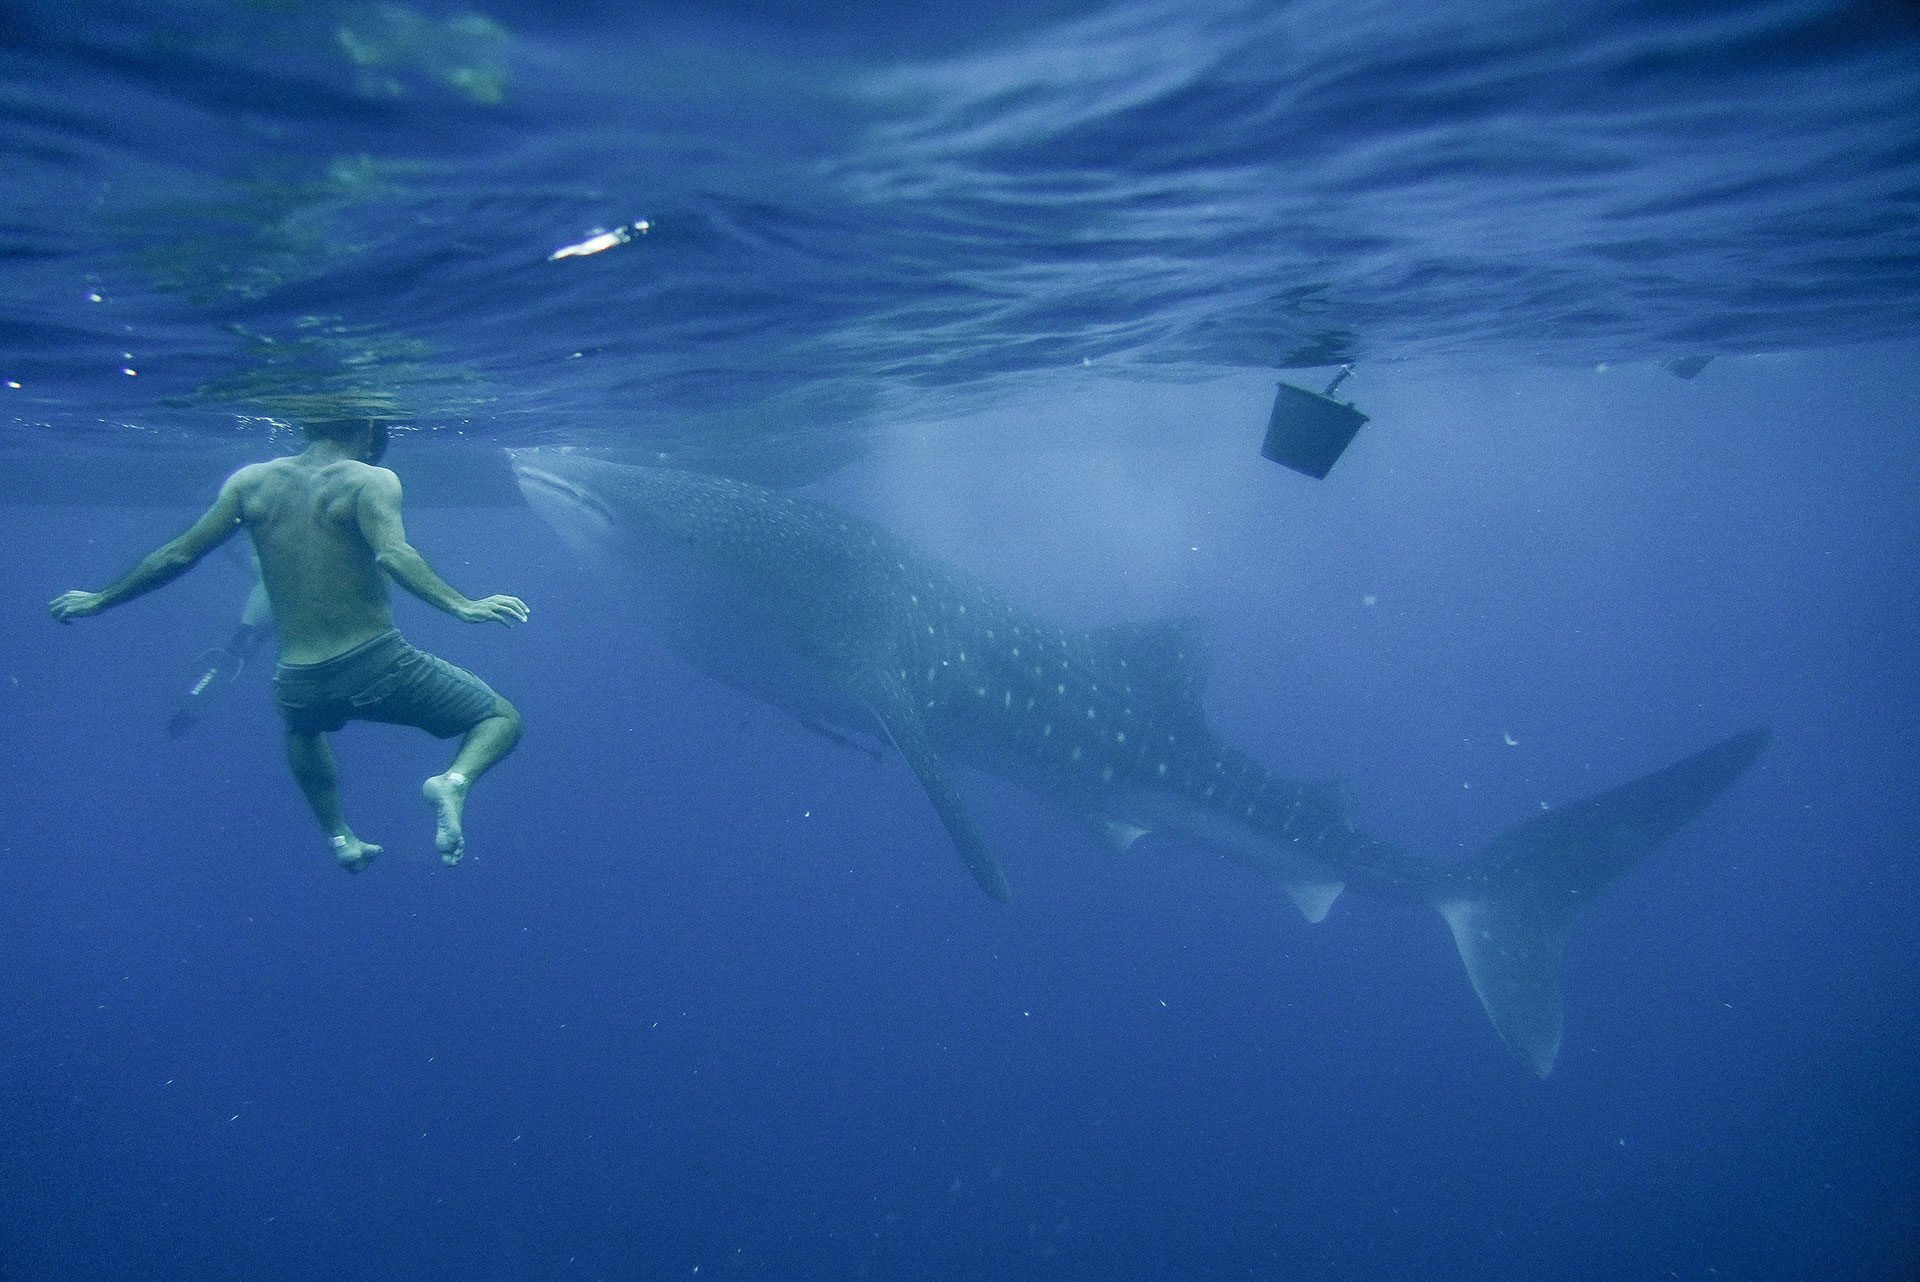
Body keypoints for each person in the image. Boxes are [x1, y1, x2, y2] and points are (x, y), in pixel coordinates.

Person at [48, 418, 529, 871]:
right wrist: (462, 605)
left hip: (298, 679)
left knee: (303, 730)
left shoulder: (250, 482)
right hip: (377, 663)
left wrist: (99, 600)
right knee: (500, 718)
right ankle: (453, 782)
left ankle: (340, 835)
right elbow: (393, 552)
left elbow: (178, 553)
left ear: (305, 426)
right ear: (365, 430)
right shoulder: (370, 479)